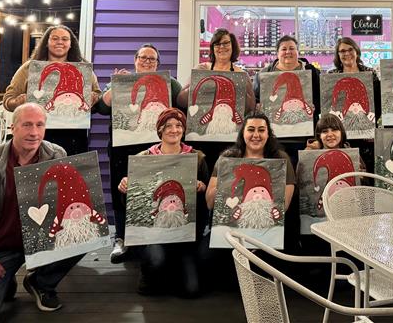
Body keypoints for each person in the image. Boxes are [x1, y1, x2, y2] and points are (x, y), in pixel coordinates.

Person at [0, 103, 83, 320]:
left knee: (85, 236)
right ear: (13, 127)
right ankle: (6, 279)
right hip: (0, 249)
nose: (34, 132)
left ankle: (41, 282)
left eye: (39, 125)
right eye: (27, 125)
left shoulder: (57, 154)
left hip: (43, 242)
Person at [93, 43, 183, 264]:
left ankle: (150, 236)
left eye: (152, 59)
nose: (147, 62)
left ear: (158, 64)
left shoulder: (169, 83)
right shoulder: (121, 81)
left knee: (153, 188)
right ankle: (122, 238)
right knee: (121, 190)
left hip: (157, 147)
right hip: (122, 148)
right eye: (143, 58)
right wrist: (116, 85)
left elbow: (183, 103)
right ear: (135, 60)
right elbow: (101, 108)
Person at [117, 108, 209, 296]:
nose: (173, 130)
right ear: (160, 130)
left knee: (191, 290)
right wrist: (125, 188)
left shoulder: (197, 158)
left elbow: (204, 205)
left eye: (178, 126)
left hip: (185, 233)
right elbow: (133, 204)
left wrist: (202, 188)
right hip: (154, 233)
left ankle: (177, 267)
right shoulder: (144, 158)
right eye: (168, 126)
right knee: (151, 284)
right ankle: (152, 267)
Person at [3, 25, 101, 155]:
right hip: (36, 134)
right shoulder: (29, 68)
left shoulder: (83, 70)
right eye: (55, 38)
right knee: (38, 174)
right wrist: (19, 102)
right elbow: (7, 100)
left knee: (71, 173)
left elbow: (98, 98)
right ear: (46, 42)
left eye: (65, 39)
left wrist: (93, 99)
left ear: (71, 44)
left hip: (75, 135)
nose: (60, 42)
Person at [206, 113, 296, 211]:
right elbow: (209, 204)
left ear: (268, 134)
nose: (256, 135)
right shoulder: (227, 158)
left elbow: (284, 206)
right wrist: (225, 184)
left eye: (261, 130)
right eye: (251, 130)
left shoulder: (281, 158)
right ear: (243, 133)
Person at [176, 28, 255, 114]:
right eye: (217, 44)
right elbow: (181, 101)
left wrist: (241, 91)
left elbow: (251, 109)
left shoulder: (242, 75)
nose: (221, 47)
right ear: (212, 48)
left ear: (233, 46)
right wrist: (195, 87)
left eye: (225, 43)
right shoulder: (201, 69)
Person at [253, 35, 320, 119]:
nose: (288, 52)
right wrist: (257, 107)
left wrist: (315, 107)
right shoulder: (264, 74)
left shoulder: (312, 72)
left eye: (292, 48)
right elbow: (255, 99)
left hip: (306, 126)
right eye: (284, 49)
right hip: (272, 127)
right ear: (277, 53)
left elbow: (321, 99)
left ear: (297, 52)